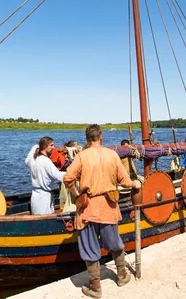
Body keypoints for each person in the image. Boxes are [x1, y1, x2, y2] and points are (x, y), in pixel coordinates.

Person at [64, 124, 142, 298]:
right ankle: (122, 275)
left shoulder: (82, 156)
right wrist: (135, 184)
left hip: (87, 208)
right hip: (108, 206)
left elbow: (67, 178)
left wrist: (77, 194)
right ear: (101, 137)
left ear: (87, 139)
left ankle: (96, 287)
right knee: (114, 242)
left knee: (90, 247)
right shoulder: (112, 155)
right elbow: (125, 180)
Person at [24, 136, 66, 215]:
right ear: (45, 146)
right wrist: (74, 173)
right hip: (44, 198)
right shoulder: (46, 161)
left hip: (35, 196)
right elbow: (58, 175)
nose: (53, 148)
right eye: (51, 145)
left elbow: (32, 150)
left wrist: (37, 146)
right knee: (45, 220)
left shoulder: (31, 159)